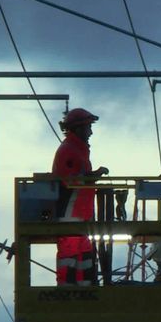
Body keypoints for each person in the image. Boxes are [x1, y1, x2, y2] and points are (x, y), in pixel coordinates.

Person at [52, 108, 109, 286]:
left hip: (80, 219)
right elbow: (71, 180)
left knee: (84, 258)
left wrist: (92, 176)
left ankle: (85, 292)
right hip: (70, 217)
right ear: (77, 129)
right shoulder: (69, 151)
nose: (91, 132)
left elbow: (78, 178)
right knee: (69, 258)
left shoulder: (77, 150)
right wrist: (95, 176)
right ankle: (69, 293)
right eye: (88, 127)